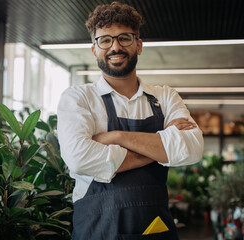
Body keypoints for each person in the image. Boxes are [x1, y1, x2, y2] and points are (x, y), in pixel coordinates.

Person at [57, 2, 204, 240]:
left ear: (138, 44)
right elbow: (79, 158)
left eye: (124, 38)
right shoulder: (79, 98)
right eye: (105, 40)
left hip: (156, 229)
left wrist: (117, 137)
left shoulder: (164, 96)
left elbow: (192, 149)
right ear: (94, 50)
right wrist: (160, 147)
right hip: (98, 230)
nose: (115, 47)